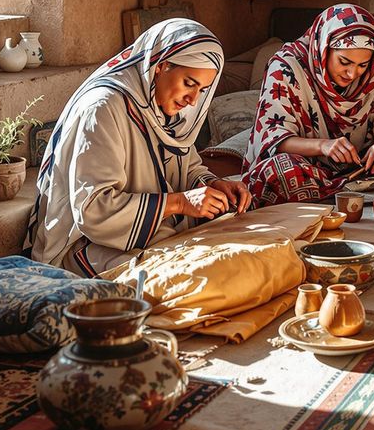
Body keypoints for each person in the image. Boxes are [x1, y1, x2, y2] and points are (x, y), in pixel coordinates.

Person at [26, 19, 251, 275]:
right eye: (189, 83)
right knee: (185, 280)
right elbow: (92, 210)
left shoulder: (164, 107)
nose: (193, 100)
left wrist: (211, 186)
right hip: (86, 246)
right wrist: (179, 203)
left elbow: (187, 167)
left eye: (202, 89)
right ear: (161, 65)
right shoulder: (103, 108)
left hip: (152, 232)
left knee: (242, 258)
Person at [242, 4, 374, 205]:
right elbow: (271, 138)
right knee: (279, 172)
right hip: (308, 168)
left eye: (362, 65)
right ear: (323, 49)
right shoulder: (285, 67)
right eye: (344, 62)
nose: (353, 74)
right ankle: (356, 189)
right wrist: (323, 146)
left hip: (362, 168)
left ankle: (343, 189)